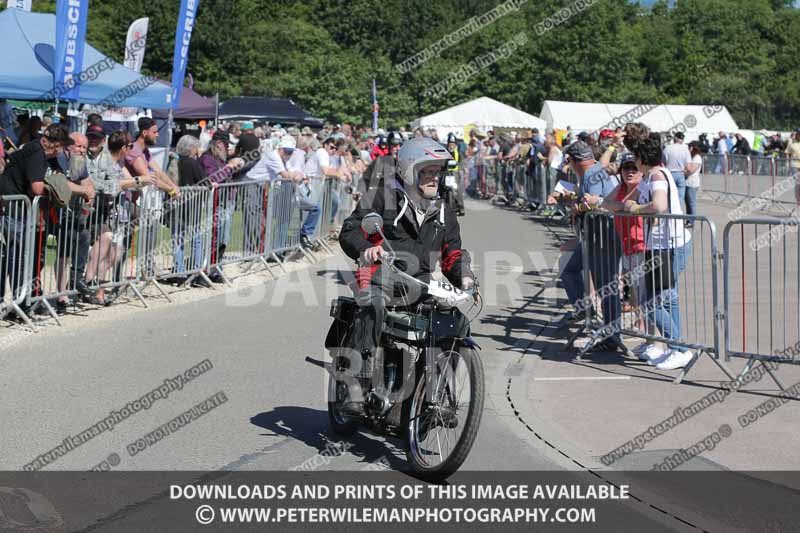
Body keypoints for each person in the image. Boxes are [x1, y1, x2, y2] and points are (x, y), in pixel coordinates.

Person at [338, 137, 475, 415]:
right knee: (372, 304)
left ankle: (437, 392)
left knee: (455, 323)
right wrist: (367, 249)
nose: (434, 177)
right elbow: (350, 231)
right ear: (410, 169)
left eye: (438, 171)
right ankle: (357, 383)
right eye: (428, 171)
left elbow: (452, 255)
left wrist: (466, 278)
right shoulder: (383, 197)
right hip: (379, 277)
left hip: (419, 285)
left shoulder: (443, 211)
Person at [623, 132, 693, 370]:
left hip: (668, 245)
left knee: (650, 303)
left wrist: (637, 209)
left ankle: (680, 348)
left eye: (635, 155)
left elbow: (660, 206)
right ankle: (677, 349)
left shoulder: (656, 175)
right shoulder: (655, 174)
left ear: (642, 156)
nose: (633, 160)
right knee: (667, 299)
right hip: (667, 244)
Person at [558, 141, 624, 353]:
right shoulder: (590, 172)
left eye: (570, 161)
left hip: (604, 236)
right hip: (594, 236)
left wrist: (578, 207)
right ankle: (585, 310)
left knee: (607, 286)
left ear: (576, 161)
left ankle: (612, 334)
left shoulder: (591, 174)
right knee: (569, 269)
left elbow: (593, 204)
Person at [83, 131, 154, 305]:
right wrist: (139, 181)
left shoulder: (119, 163)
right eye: (129, 146)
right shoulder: (104, 162)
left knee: (115, 253)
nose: (131, 148)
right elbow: (110, 186)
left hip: (116, 214)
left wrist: (142, 180)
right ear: (123, 148)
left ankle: (91, 284)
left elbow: (129, 181)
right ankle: (91, 287)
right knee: (102, 248)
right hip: (100, 212)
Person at [662, 131, 691, 213]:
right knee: (680, 198)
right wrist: (686, 173)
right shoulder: (685, 150)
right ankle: (677, 214)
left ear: (675, 138)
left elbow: (663, 163)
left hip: (669, 174)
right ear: (682, 140)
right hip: (680, 173)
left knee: (668, 196)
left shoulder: (667, 148)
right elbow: (688, 167)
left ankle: (668, 213)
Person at [684, 141, 703, 220]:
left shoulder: (697, 157)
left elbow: (691, 170)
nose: (688, 149)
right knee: (688, 203)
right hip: (687, 182)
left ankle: (691, 220)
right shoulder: (691, 157)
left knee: (692, 203)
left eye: (689, 147)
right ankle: (689, 219)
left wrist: (684, 171)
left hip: (692, 183)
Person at [785, 130, 800, 205]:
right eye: (798, 134)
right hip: (795, 164)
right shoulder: (791, 142)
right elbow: (787, 153)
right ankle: (798, 200)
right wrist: (787, 163)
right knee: (798, 183)